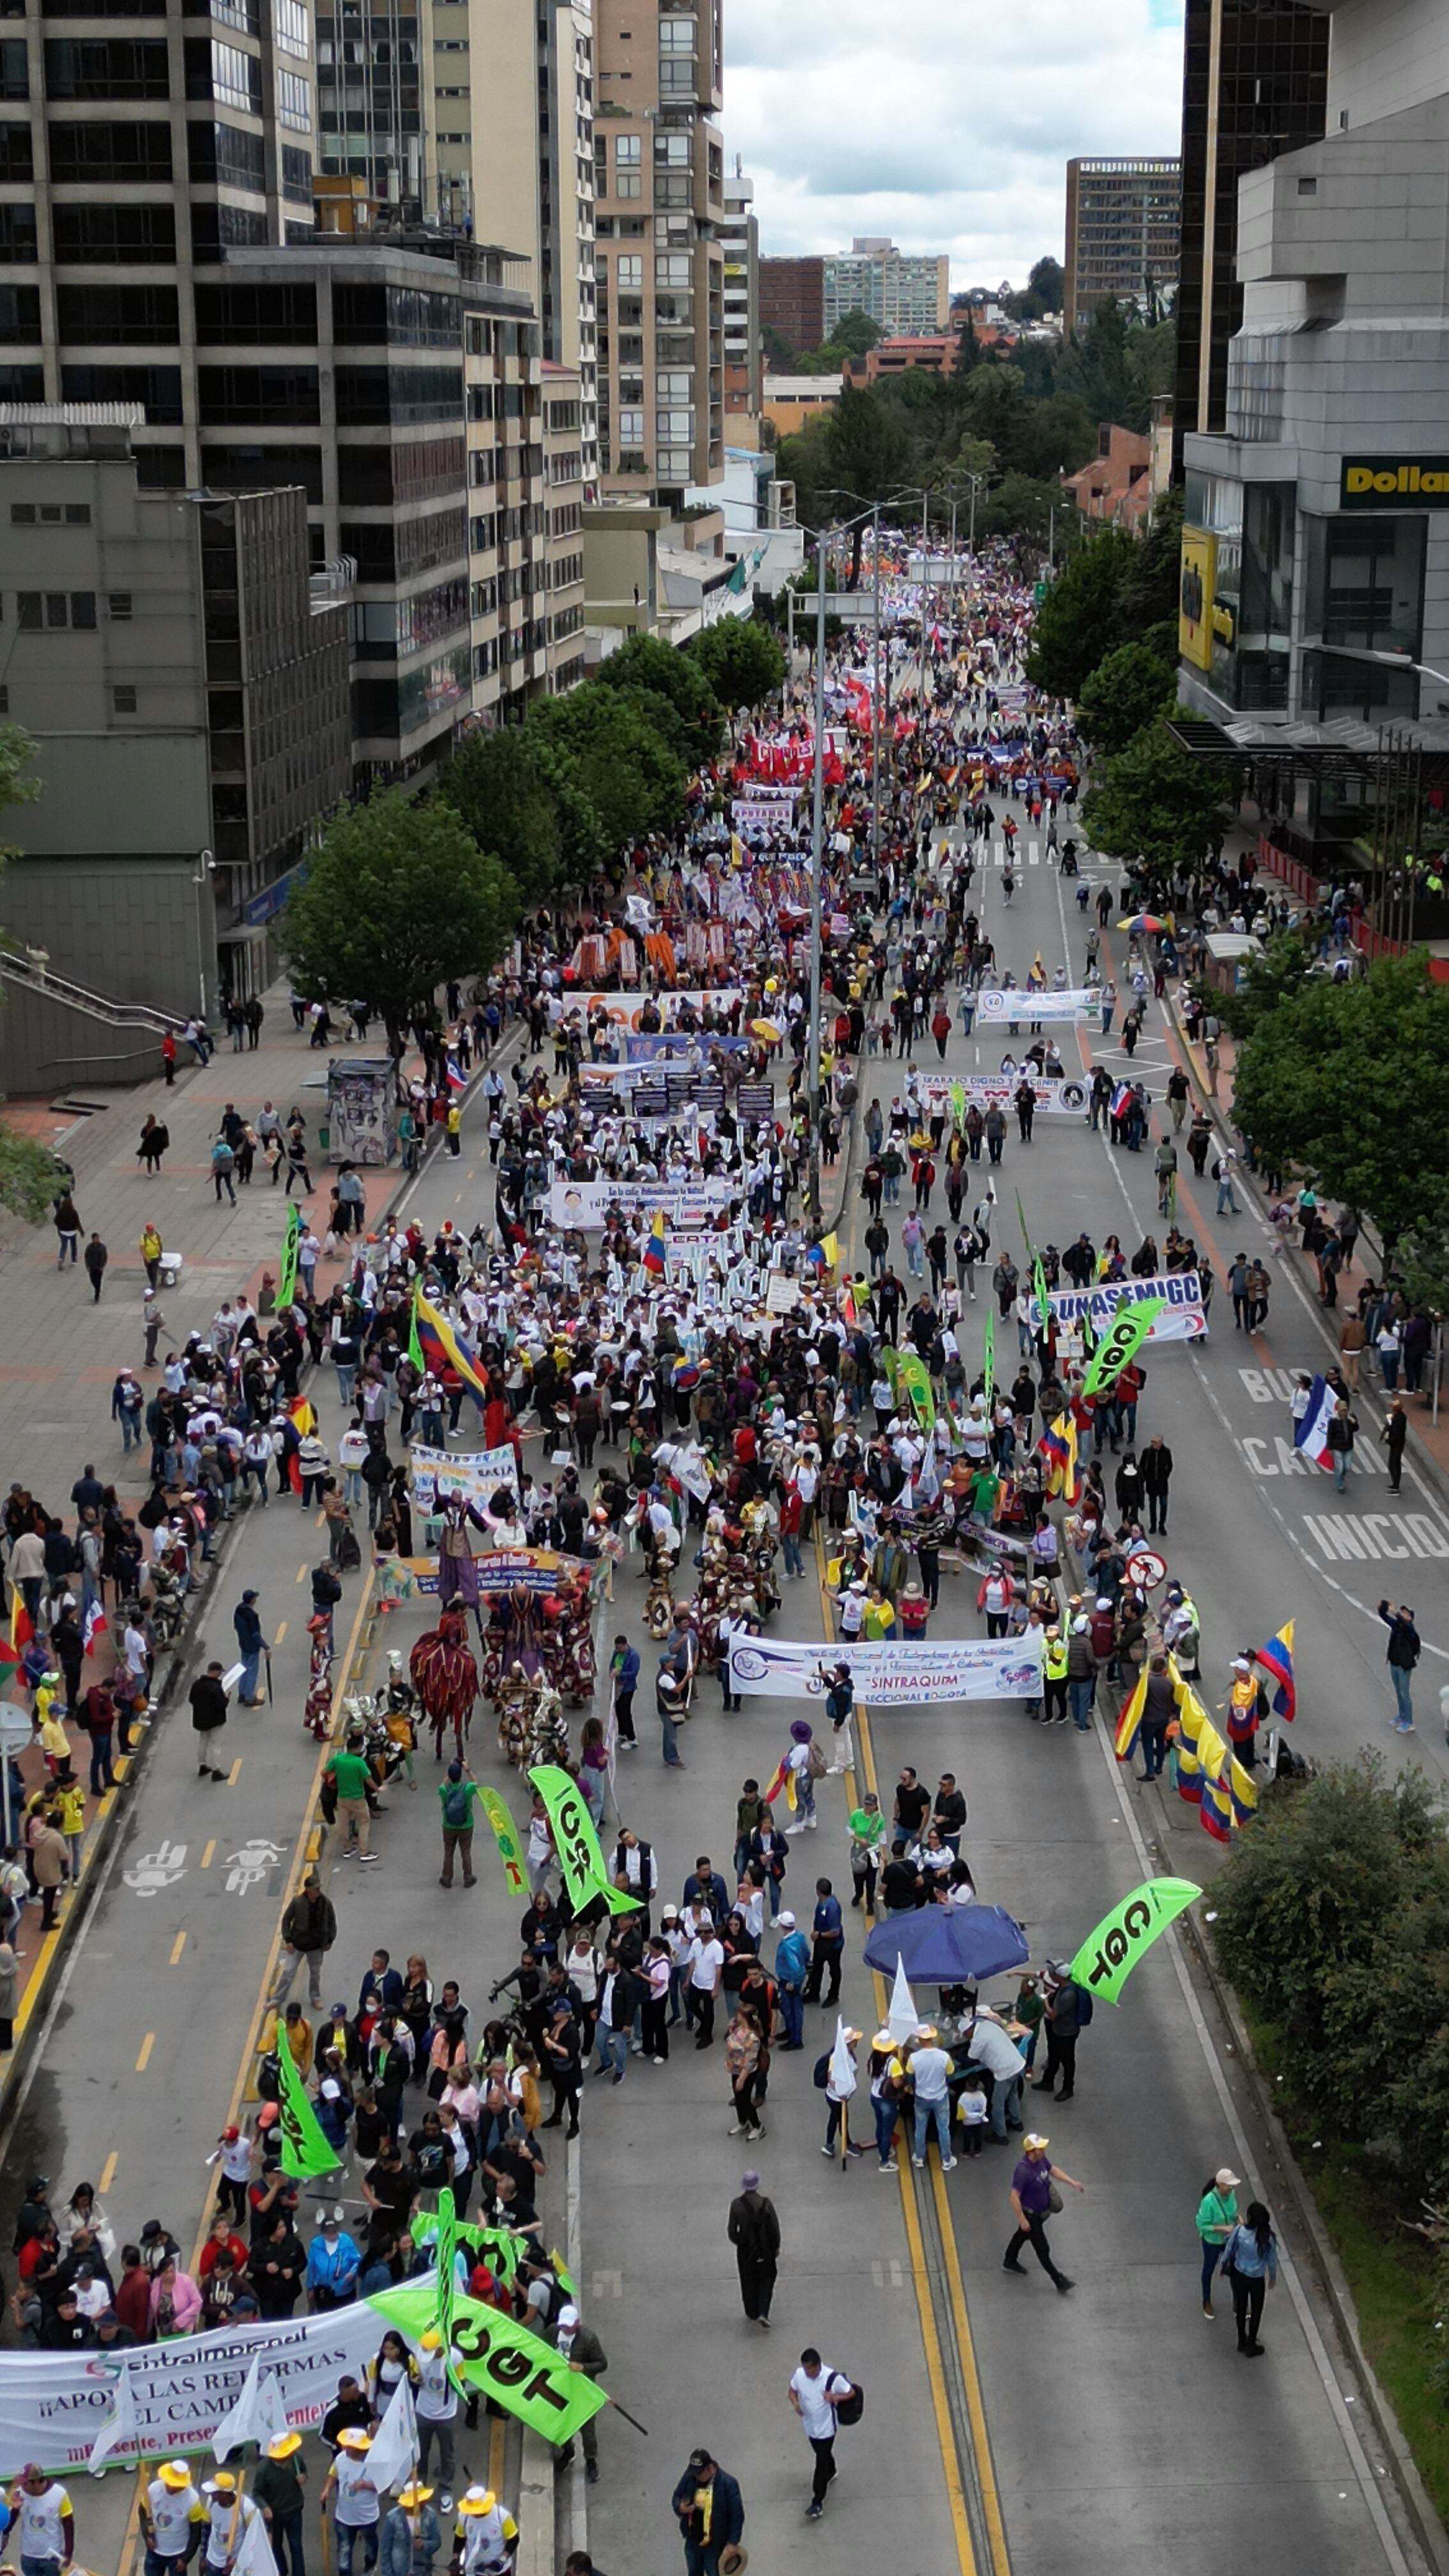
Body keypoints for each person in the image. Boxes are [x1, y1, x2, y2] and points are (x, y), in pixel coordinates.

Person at [1002, 2133, 1085, 2291]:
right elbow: (1014, 2197)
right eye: (1040, 2148)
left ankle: (1009, 2259)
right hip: (1031, 2216)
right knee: (1043, 2249)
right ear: (1031, 2151)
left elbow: (1052, 2170)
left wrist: (1072, 2182)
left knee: (1022, 2234)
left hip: (1041, 2213)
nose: (1044, 2149)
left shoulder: (1041, 2160)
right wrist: (1022, 2219)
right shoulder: (1023, 2171)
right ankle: (1059, 2280)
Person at [788, 2349, 853, 2522]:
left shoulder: (832, 2377)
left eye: (810, 2369)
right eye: (805, 2368)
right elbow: (792, 2390)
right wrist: (795, 2404)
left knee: (820, 2462)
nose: (807, 2372)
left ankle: (817, 2501)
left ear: (818, 2366)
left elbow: (851, 2392)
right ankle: (831, 2470)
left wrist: (835, 2397)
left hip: (827, 2429)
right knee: (822, 2455)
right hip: (810, 2427)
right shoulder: (800, 2375)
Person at [670, 2450, 744, 2576]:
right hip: (693, 2539)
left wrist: (732, 2543)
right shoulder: (690, 2476)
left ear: (710, 2469)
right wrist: (680, 2508)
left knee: (714, 2572)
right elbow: (677, 2495)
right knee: (694, 2572)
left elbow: (737, 2516)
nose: (696, 2477)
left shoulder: (728, 2484)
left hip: (714, 2544)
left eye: (699, 2474)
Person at [1221, 2199, 1278, 2355]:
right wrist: (1273, 2278)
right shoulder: (1268, 2239)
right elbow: (1271, 2262)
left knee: (1241, 2307)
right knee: (1256, 2310)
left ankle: (1241, 2339)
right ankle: (1252, 2343)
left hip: (1239, 2274)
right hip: (1256, 2279)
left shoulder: (1240, 2231)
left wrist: (1223, 2264)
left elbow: (1229, 2248)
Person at [276, 1868, 337, 2009]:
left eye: (319, 1888)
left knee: (315, 1974)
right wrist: (288, 1940)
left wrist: (330, 1940)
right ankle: (278, 1998)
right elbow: (286, 1920)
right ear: (308, 1889)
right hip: (297, 1944)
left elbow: (332, 1922)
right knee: (288, 1972)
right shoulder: (297, 1902)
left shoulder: (325, 1903)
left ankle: (315, 1997)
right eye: (315, 1888)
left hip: (316, 1946)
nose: (318, 1891)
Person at [726, 2170, 779, 2328]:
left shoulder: (736, 2205)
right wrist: (775, 2247)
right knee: (767, 2279)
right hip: (765, 2250)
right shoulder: (766, 2204)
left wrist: (742, 2244)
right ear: (757, 2186)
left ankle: (752, 2311)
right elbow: (775, 2229)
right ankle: (764, 2311)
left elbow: (731, 2232)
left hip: (746, 2253)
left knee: (748, 2280)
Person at [325, 2428, 380, 2576]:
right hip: (344, 2517)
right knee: (344, 2548)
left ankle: (370, 2566)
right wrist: (326, 2490)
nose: (344, 2448)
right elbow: (333, 2473)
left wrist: (366, 2485)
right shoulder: (341, 2459)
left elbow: (382, 2485)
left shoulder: (373, 2462)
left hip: (367, 2517)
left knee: (371, 2545)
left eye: (348, 2446)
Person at [253, 2434, 307, 2576]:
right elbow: (256, 2493)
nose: (284, 2459)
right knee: (276, 2547)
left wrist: (303, 2477)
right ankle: (281, 2572)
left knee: (296, 2546)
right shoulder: (263, 2469)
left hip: (295, 2510)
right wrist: (264, 2507)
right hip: (275, 2515)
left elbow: (304, 2471)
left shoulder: (296, 2458)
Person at [143, 2461, 206, 2576]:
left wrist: (186, 2558)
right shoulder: (153, 2489)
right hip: (155, 2552)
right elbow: (143, 2510)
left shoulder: (192, 2499)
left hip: (178, 2554)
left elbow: (196, 2532)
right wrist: (147, 2535)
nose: (174, 2487)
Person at [907, 2025, 956, 2170]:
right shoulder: (944, 2056)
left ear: (920, 2040)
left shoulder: (914, 2058)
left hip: (922, 2097)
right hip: (940, 2097)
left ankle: (920, 2157)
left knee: (920, 2128)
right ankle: (947, 2160)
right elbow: (951, 2074)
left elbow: (910, 2077)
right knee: (943, 2129)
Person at [1034, 1962, 1084, 2099]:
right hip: (1059, 2030)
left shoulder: (1068, 1996)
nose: (1051, 1975)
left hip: (1066, 2033)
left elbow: (1053, 2015)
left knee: (1067, 2061)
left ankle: (1068, 2088)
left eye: (1054, 1974)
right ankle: (1048, 2081)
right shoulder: (1064, 1987)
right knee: (1054, 2055)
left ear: (1060, 1977)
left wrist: (1044, 2001)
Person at [1196, 2166, 1240, 2319]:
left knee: (1235, 2270)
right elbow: (1202, 2225)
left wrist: (1238, 2219)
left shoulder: (1231, 2194)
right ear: (1220, 2185)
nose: (1231, 2188)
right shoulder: (1208, 2201)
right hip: (1212, 2242)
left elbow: (1234, 2211)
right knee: (1208, 2270)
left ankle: (1238, 2303)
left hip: (1229, 2239)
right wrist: (1222, 2228)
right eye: (1229, 2185)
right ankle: (1206, 2301)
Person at [1377, 1599, 1420, 1733]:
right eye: (1402, 1612)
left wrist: (1394, 1611)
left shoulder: (1410, 1630)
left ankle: (1409, 1721)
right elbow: (1384, 1617)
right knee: (1398, 1691)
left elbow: (1404, 1623)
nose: (1402, 1614)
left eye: (1406, 1613)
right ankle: (1401, 1716)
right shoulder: (1397, 1626)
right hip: (1395, 1663)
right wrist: (1383, 1607)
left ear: (1410, 1618)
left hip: (1404, 1666)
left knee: (1404, 1693)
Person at [189, 1661, 229, 1782]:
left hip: (201, 1719)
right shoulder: (215, 1687)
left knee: (203, 1742)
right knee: (216, 1745)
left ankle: (202, 1766)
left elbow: (192, 1699)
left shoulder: (197, 1684)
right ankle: (217, 1770)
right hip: (215, 1720)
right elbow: (221, 1704)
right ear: (216, 1672)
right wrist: (227, 1699)